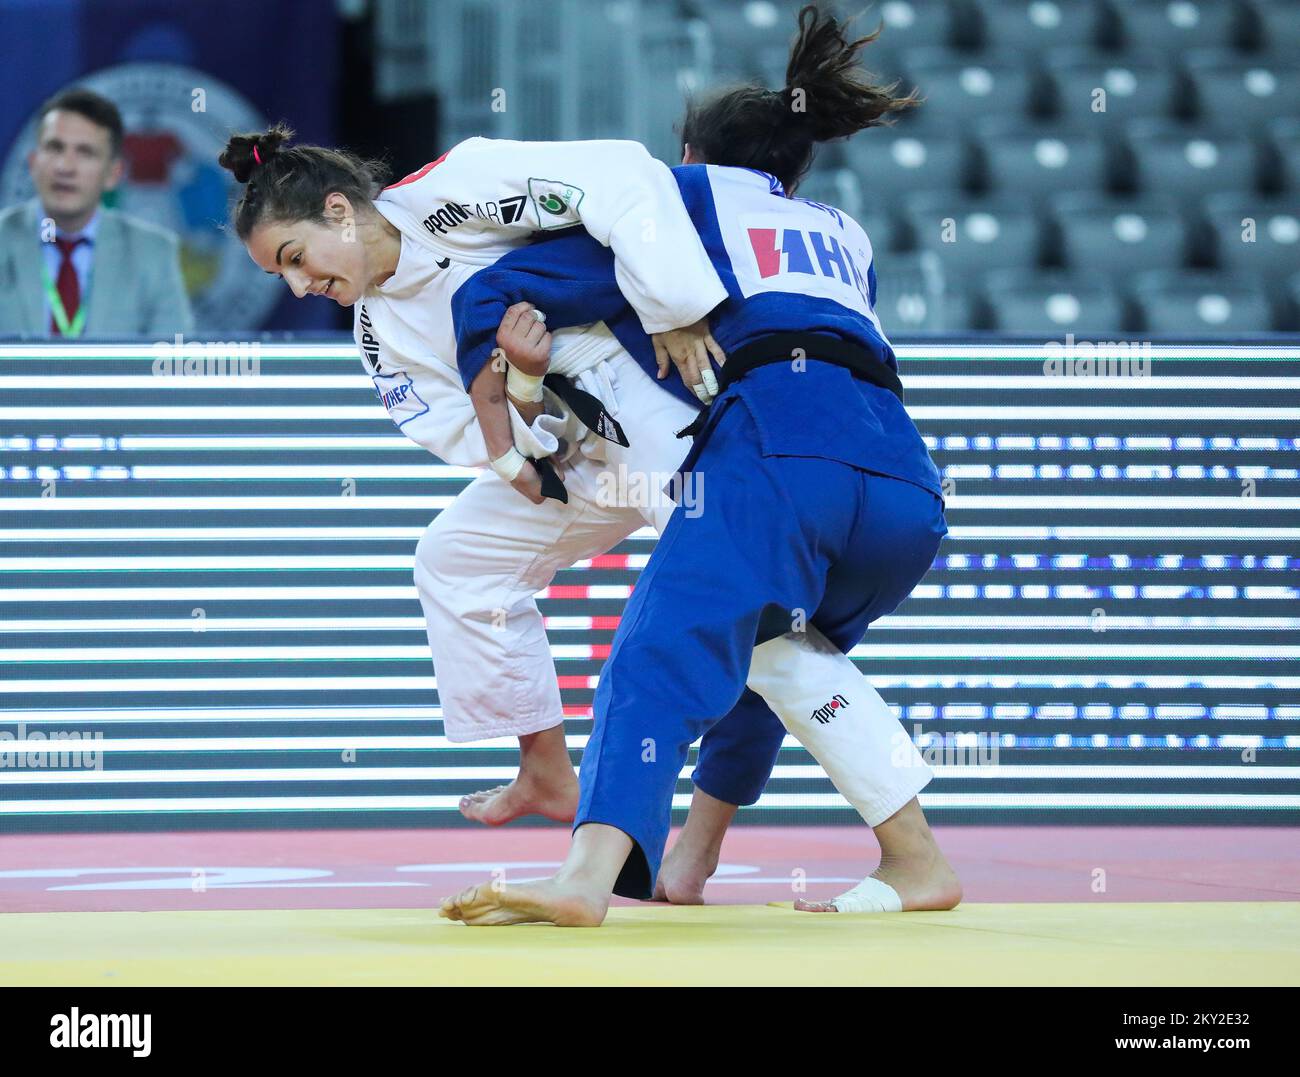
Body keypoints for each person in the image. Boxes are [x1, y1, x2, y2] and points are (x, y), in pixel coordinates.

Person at [218, 113, 937, 906]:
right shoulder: (375, 334)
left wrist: (674, 306)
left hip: (657, 401)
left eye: (296, 258)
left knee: (760, 630)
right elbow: (461, 430)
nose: (297, 286)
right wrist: (527, 403)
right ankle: (544, 763)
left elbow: (625, 175)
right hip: (565, 449)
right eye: (279, 277)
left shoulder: (458, 188)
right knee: (455, 557)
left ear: (339, 211)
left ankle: (906, 843)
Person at [439, 4, 961, 926]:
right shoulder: (846, 231)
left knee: (655, 652)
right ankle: (707, 859)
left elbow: (501, 288)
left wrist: (508, 378)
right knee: (784, 659)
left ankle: (584, 880)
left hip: (781, 449)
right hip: (903, 476)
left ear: (688, 150)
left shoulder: (680, 199)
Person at [0, 87, 194, 338]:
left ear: (113, 174)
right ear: (34, 162)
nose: (65, 167)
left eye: (85, 152)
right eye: (55, 148)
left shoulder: (154, 252)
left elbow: (173, 366)